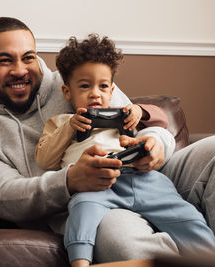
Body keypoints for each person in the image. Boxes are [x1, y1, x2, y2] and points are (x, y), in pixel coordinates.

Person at [0, 16, 215, 263]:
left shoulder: (81, 77)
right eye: (5, 60)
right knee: (123, 242)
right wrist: (69, 181)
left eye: (28, 57)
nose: (20, 70)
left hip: (147, 177)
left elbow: (136, 122)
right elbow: (2, 195)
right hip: (91, 205)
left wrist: (157, 145)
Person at [34, 34, 215, 267]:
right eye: (84, 86)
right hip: (97, 186)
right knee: (80, 211)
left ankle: (208, 255)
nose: (95, 93)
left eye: (103, 86)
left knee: (187, 217)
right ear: (67, 92)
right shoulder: (61, 122)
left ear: (111, 91)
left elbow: (161, 120)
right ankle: (79, 262)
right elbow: (45, 158)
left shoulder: (123, 114)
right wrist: (69, 128)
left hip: (143, 179)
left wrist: (140, 112)